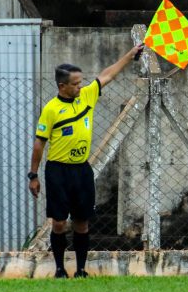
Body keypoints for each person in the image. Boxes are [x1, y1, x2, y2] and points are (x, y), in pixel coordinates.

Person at [28, 45, 143, 278]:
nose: (81, 86)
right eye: (75, 83)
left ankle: (81, 269)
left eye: (81, 82)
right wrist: (33, 175)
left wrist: (130, 55)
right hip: (58, 171)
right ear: (62, 86)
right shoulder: (51, 110)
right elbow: (39, 144)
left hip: (81, 169)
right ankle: (60, 269)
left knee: (82, 222)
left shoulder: (88, 96)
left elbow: (107, 74)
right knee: (59, 223)